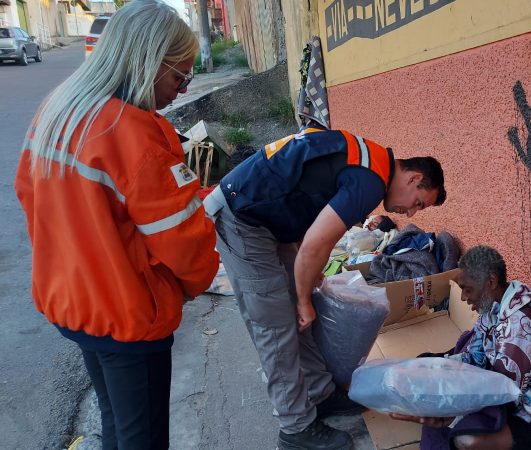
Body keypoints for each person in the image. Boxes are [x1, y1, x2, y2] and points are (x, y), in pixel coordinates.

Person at [14, 2, 219, 448]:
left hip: (73, 302)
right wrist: (187, 286)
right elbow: (185, 246)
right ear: (148, 61)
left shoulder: (61, 111)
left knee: (117, 423)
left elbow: (31, 199)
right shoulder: (136, 134)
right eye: (179, 77)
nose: (181, 91)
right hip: (127, 313)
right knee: (141, 438)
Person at [203, 127, 446, 450]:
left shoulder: (372, 163)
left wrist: (308, 277)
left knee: (294, 309)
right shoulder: (370, 181)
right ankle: (295, 429)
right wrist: (304, 299)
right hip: (242, 219)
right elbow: (316, 244)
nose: (411, 213)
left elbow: (307, 200)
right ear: (414, 178)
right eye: (418, 202)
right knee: (276, 324)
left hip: (265, 219)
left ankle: (319, 393)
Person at [390, 246, 531, 450]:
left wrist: (451, 412)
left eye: (467, 289)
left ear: (491, 281)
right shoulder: (494, 309)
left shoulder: (520, 326)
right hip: (524, 395)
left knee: (467, 440)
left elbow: (499, 390)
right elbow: (475, 355)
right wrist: (435, 368)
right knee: (425, 365)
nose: (463, 297)